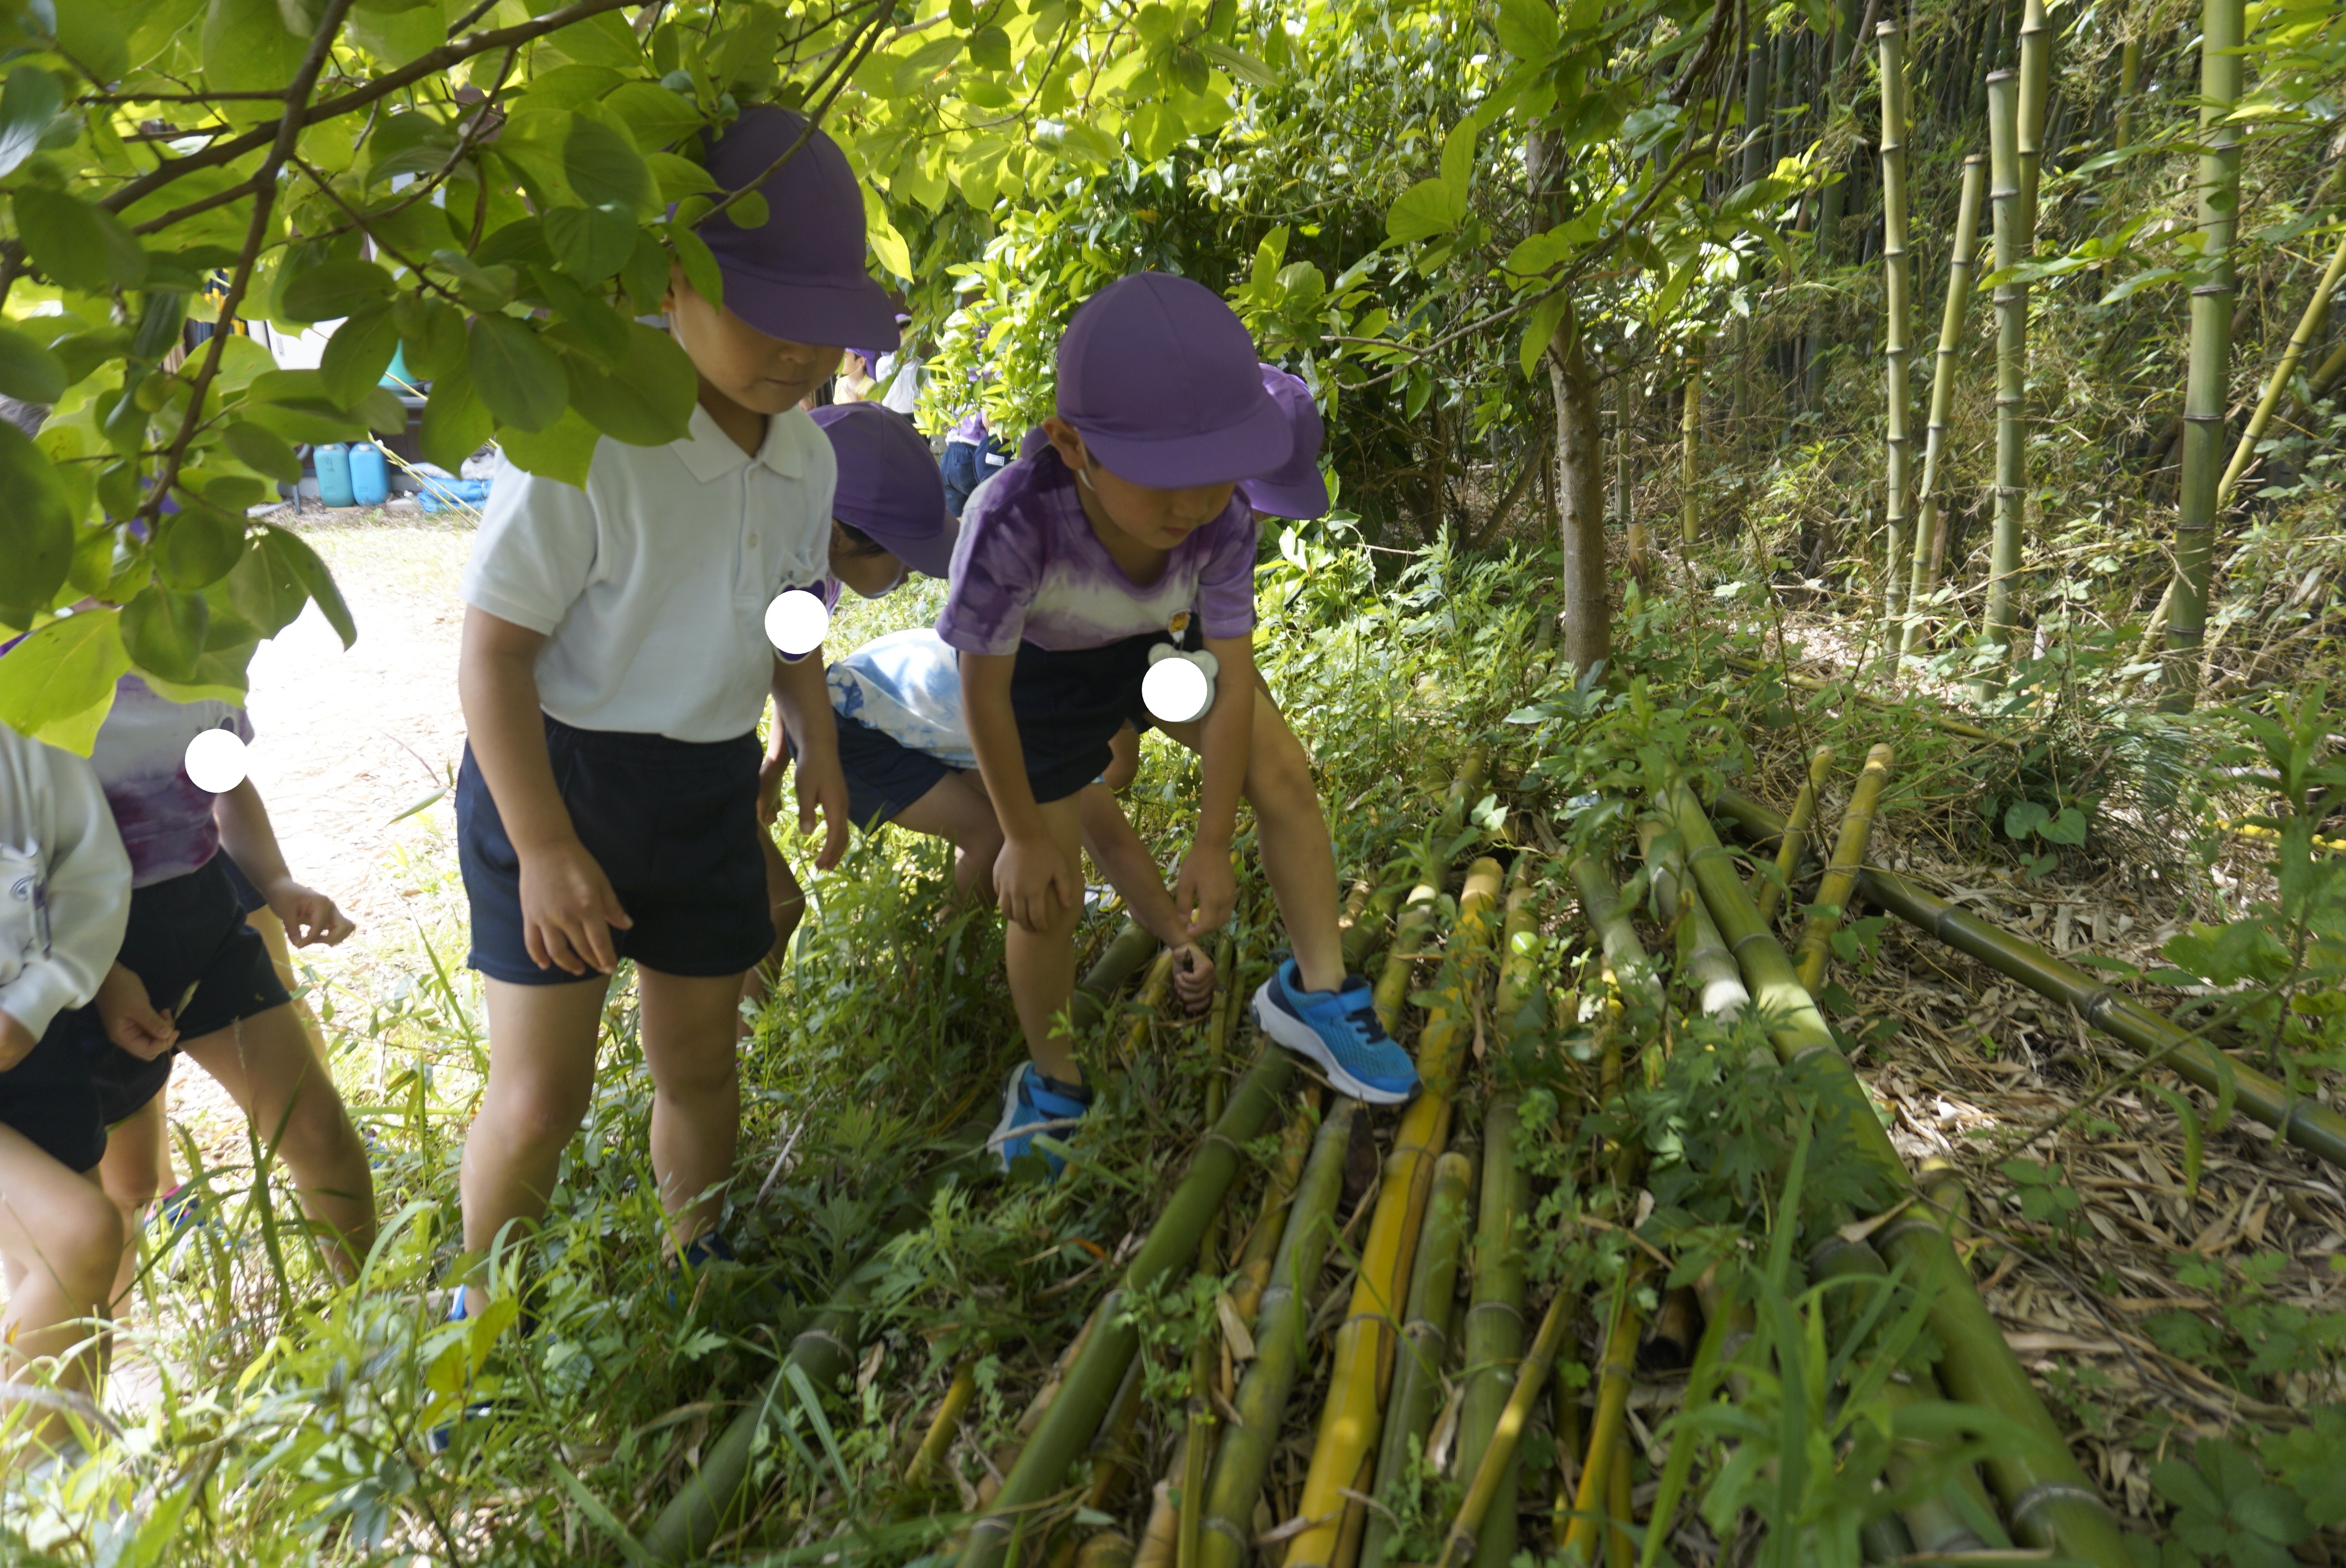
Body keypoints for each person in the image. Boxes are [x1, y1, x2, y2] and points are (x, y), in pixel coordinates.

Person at [448, 105, 892, 1332]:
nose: (801, 354)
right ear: (670, 278)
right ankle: (482, 1322)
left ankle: (701, 1256)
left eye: (826, 327)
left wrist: (812, 731)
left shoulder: (809, 457)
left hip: (704, 782)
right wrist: (543, 848)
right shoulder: (585, 437)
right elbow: (490, 654)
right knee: (541, 1096)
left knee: (700, 1060)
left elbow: (792, 606)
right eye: (769, 310)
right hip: (556, 776)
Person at [940, 272, 1417, 1178]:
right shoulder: (1010, 519)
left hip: (1162, 646)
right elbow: (984, 690)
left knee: (1284, 772)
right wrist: (1015, 834)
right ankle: (1053, 1079)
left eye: (1217, 472)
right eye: (1166, 477)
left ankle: (1317, 992)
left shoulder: (1220, 520)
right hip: (1043, 675)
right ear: (1071, 442)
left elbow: (1231, 684)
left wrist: (1210, 839)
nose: (1194, 502)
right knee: (1044, 887)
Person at [73, 676, 373, 1297]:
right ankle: (108, 1375)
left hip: (200, 918)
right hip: (77, 940)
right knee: (123, 1190)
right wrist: (98, 972)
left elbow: (222, 776)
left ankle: (372, 1322)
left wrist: (277, 881)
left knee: (317, 1129)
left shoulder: (197, 644)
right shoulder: (29, 652)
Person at [821, 625, 1218, 1029]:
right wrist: (1179, 940)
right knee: (992, 836)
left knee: (1028, 816)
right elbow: (1111, 842)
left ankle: (947, 972)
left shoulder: (1073, 662)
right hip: (847, 721)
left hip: (907, 693)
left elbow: (1112, 789)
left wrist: (1172, 934)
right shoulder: (1050, 713)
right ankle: (932, 987)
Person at [743, 402, 958, 1011]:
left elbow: (791, 659)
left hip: (708, 746)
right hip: (661, 747)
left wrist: (787, 755)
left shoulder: (812, 570)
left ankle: (731, 1070)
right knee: (767, 908)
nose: (912, 571)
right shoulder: (763, 568)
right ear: (836, 531)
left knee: (770, 908)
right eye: (902, 554)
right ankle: (732, 1070)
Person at [0, 721, 131, 1465]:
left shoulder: (26, 720)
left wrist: (33, 1002)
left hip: (29, 1033)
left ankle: (65, 1511)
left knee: (64, 1298)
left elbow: (88, 875)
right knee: (80, 1234)